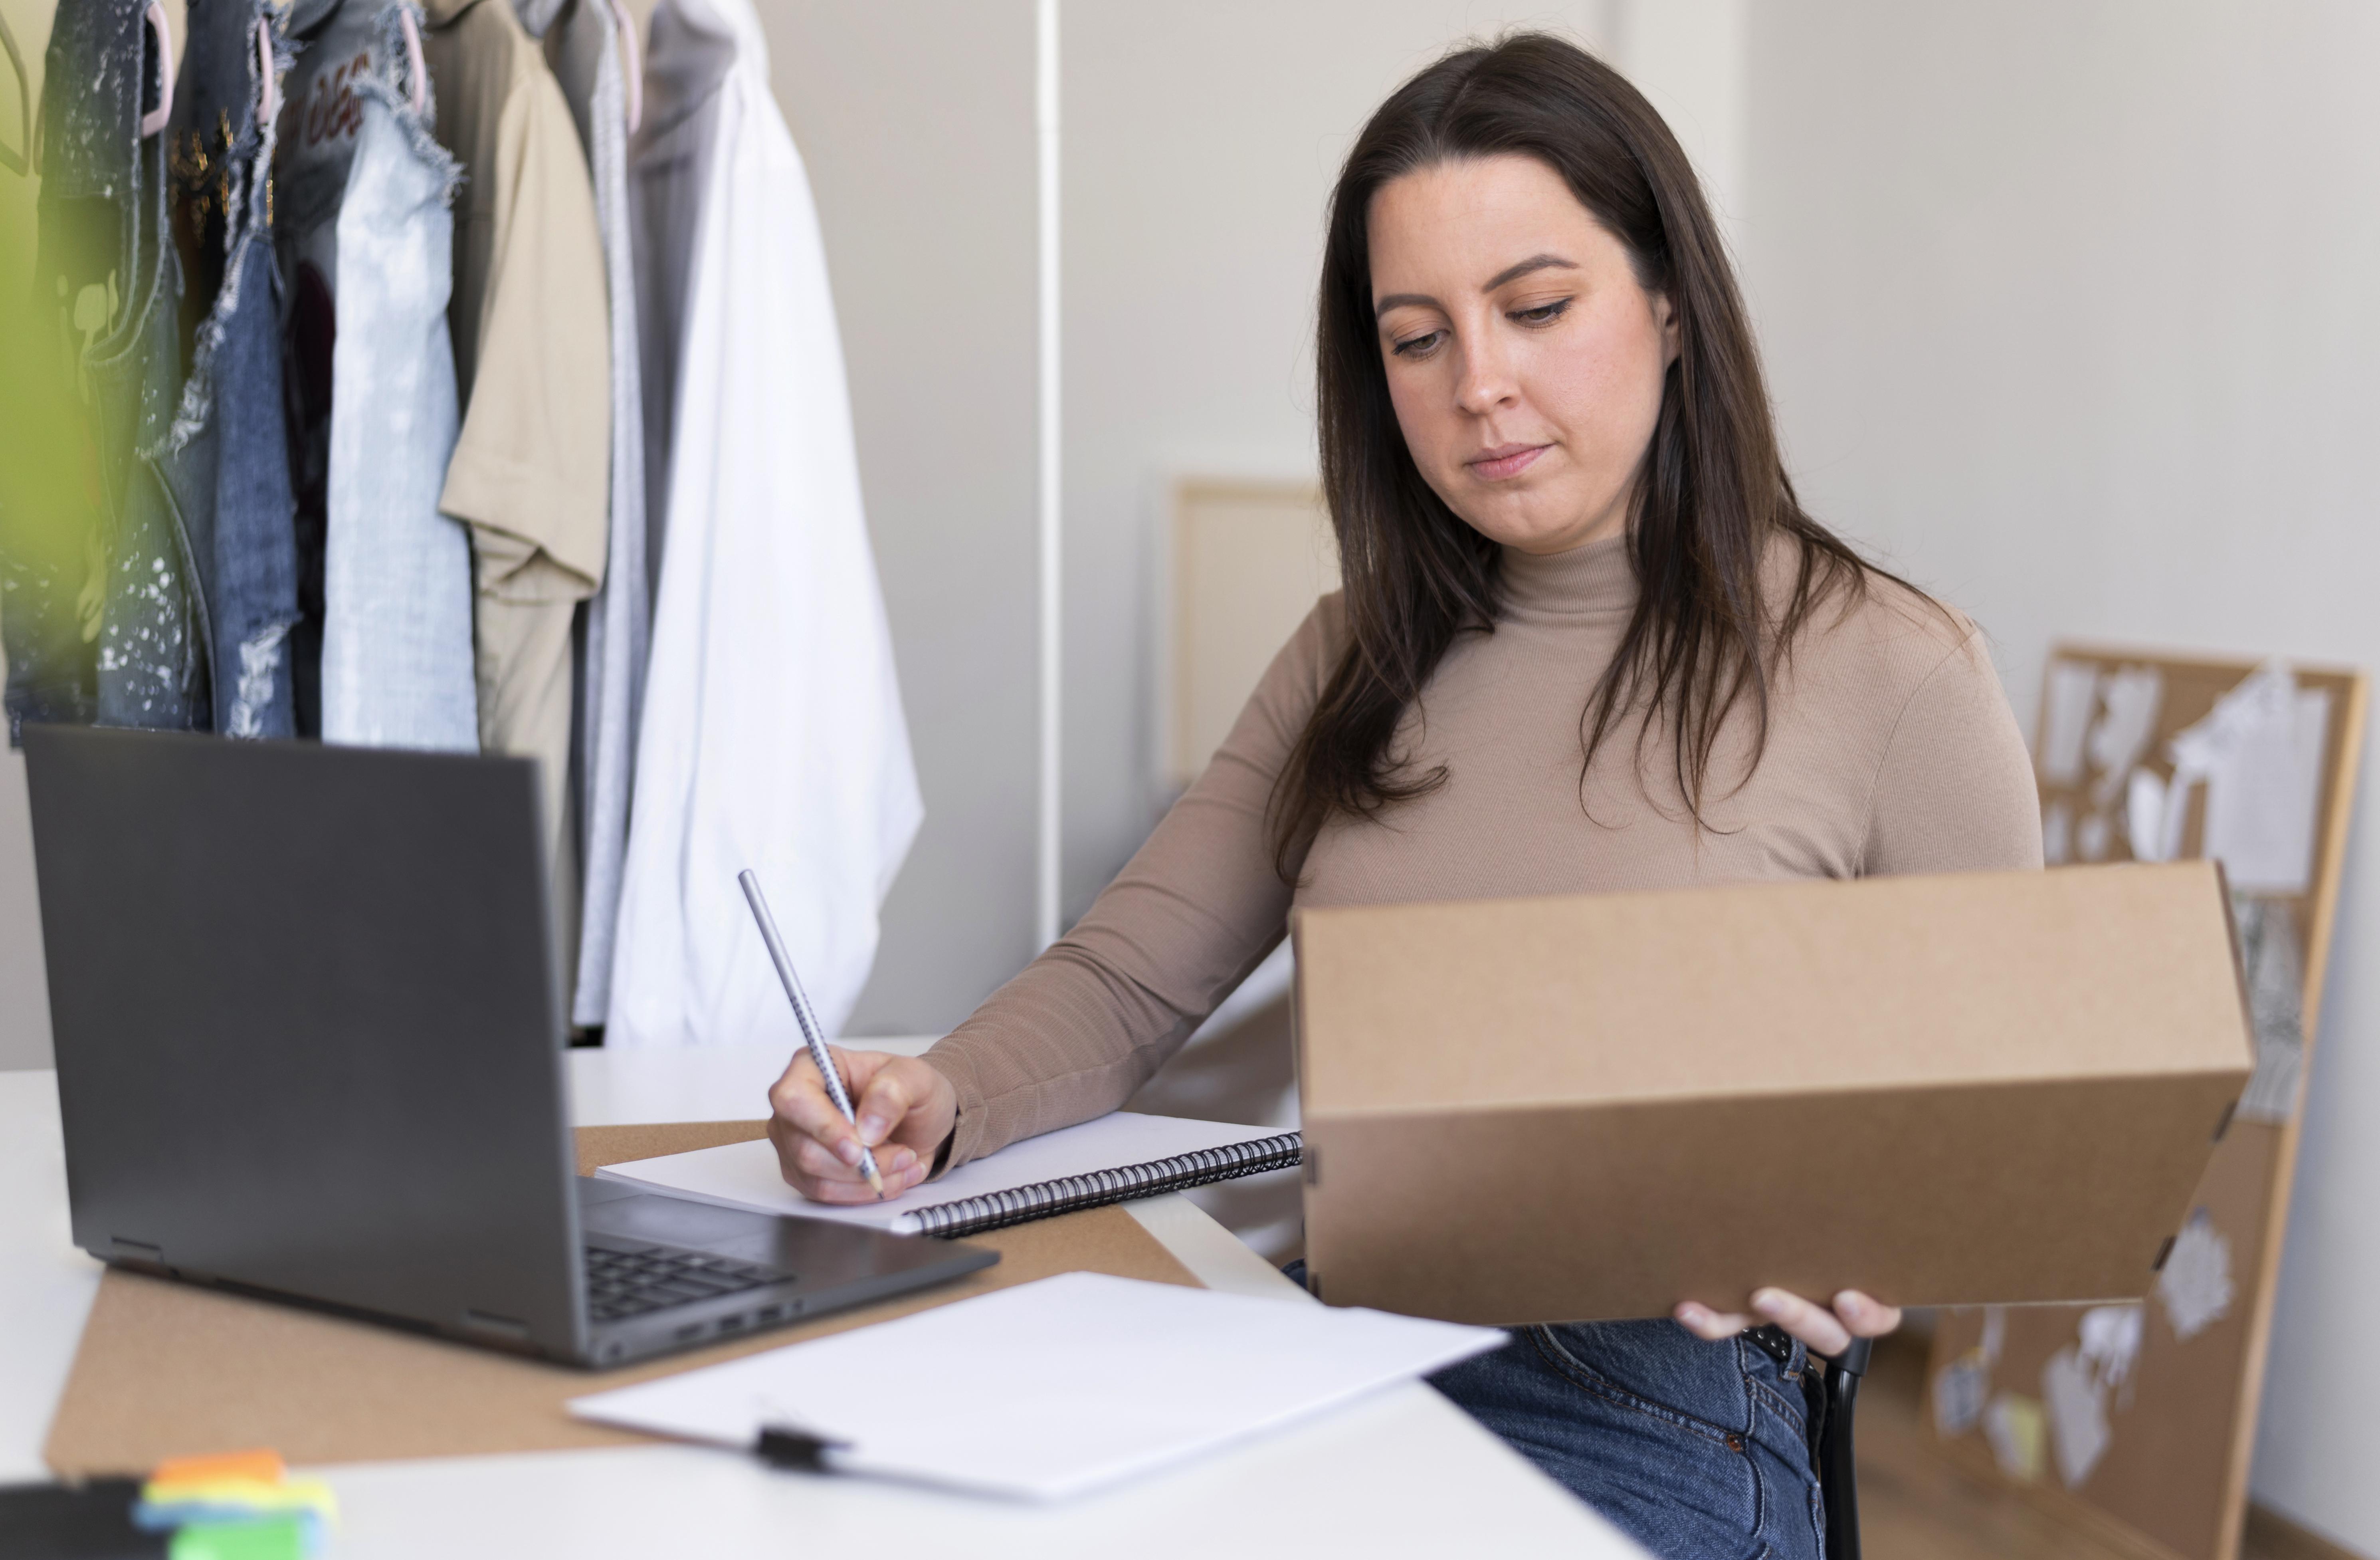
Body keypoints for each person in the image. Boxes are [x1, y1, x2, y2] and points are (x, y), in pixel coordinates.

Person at [766, 31, 2040, 1560]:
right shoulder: (1352, 654)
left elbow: (2011, 1134)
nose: (1478, 386)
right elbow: (1123, 980)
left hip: (1656, 1389)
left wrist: (1853, 1225)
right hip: (1338, 1335)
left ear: (1673, 304)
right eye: (1415, 336)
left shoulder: (1887, 671)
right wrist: (935, 1096)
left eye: (1537, 307)